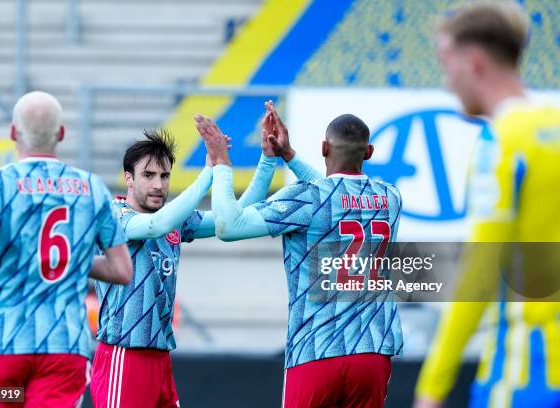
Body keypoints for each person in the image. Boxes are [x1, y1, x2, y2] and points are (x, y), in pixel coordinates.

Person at [90, 104, 315, 408]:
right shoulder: (116, 216)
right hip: (123, 354)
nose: (158, 184)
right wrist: (210, 171)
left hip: (159, 357)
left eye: (165, 175)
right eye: (148, 175)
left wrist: (266, 160)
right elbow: (157, 225)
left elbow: (235, 216)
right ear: (128, 178)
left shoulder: (174, 219)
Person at [201, 103, 403, 408]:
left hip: (315, 349)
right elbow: (335, 194)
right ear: (369, 152)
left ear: (324, 148)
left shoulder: (306, 198)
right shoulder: (390, 197)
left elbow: (228, 226)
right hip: (371, 352)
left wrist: (221, 162)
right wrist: (290, 157)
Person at [414, 2, 560, 407]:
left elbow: (479, 268)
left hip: (528, 370)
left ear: (473, 61)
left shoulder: (502, 142)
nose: (447, 82)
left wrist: (432, 386)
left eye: (447, 63)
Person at [0, 91, 132, 407]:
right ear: (61, 134)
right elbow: (121, 270)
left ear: (12, 132)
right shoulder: (91, 187)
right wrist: (72, 257)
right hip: (63, 347)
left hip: (3, 342)